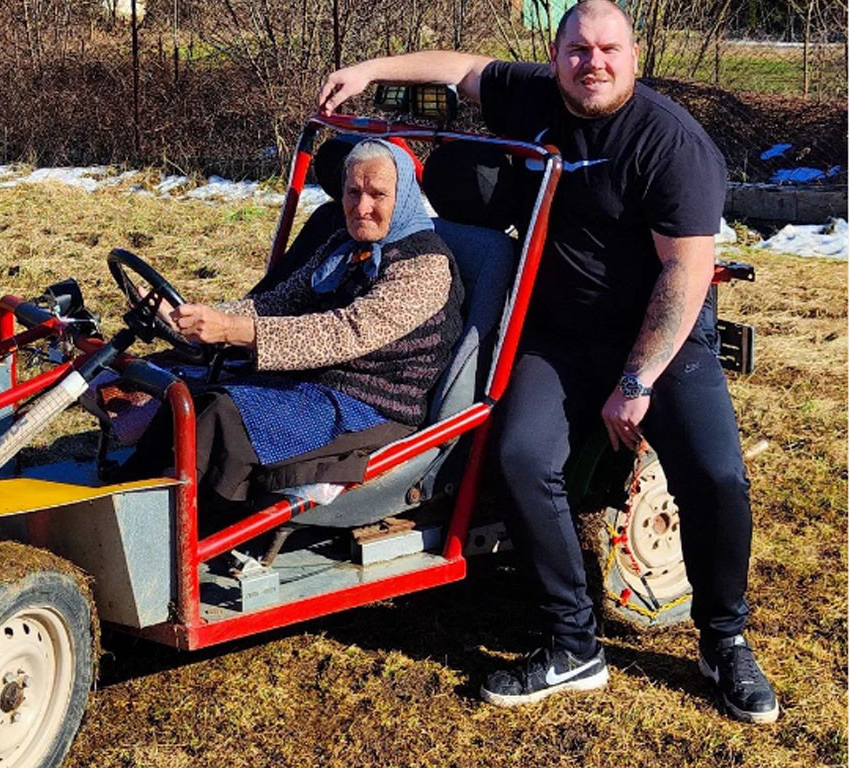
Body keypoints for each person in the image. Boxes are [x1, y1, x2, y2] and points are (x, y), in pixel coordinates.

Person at [317, 0, 777, 724]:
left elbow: (683, 277)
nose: (592, 63)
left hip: (659, 334)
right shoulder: (535, 94)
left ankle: (724, 638)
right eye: (578, 50)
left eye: (608, 50)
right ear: (557, 55)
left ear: (633, 56)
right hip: (559, 335)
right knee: (524, 457)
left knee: (716, 475)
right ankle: (572, 642)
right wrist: (368, 71)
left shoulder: (669, 143)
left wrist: (637, 382)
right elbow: (463, 70)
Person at [117, 139, 463, 514]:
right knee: (185, 393)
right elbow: (275, 303)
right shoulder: (344, 245)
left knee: (222, 415)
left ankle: (187, 533)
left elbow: (344, 332)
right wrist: (186, 314)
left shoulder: (425, 266)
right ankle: (125, 502)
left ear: (404, 196)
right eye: (353, 192)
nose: (361, 207)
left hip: (374, 406)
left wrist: (234, 330)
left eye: (377, 194)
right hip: (317, 383)